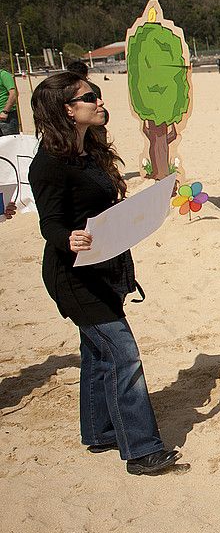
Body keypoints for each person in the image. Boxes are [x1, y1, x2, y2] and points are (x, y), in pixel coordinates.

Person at [27, 73, 182, 475]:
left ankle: (99, 431)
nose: (99, 102)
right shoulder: (48, 163)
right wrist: (69, 238)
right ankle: (142, 449)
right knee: (123, 354)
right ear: (67, 109)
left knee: (98, 354)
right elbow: (51, 222)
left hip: (107, 266)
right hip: (73, 275)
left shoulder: (89, 150)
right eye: (89, 97)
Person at [0, 63, 19, 135]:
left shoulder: (4, 75)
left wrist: (5, 111)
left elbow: (14, 94)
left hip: (6, 116)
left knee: (10, 142)